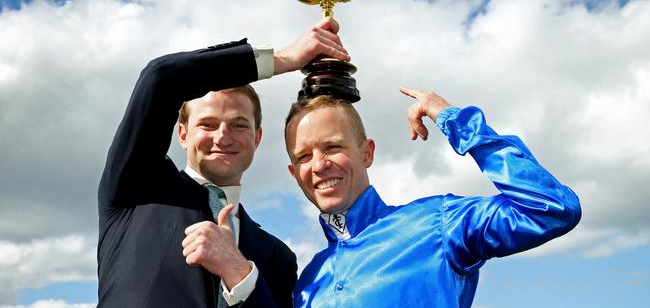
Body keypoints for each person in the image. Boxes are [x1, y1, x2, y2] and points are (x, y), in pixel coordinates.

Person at [97, 18, 350, 308]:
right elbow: (161, 77)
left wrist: (240, 275)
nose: (223, 137)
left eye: (239, 125)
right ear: (182, 134)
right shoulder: (137, 186)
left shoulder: (277, 256)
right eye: (207, 124)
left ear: (257, 138)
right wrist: (284, 60)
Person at [283, 88, 582, 307]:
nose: (320, 165)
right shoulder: (308, 281)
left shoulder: (437, 223)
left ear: (367, 153)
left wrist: (456, 121)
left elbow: (552, 208)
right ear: (295, 173)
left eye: (333, 147)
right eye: (305, 156)